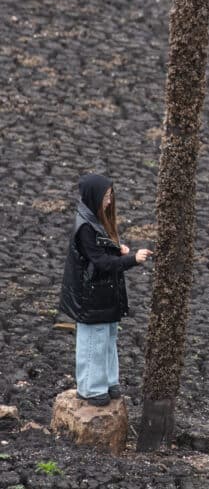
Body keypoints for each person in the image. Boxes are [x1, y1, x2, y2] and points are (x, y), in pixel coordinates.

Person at [59, 174, 152, 406]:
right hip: (92, 297)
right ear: (95, 197)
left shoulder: (91, 219)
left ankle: (108, 382)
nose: (109, 202)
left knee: (108, 337)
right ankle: (91, 388)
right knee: (94, 341)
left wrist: (115, 248)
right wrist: (132, 259)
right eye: (107, 197)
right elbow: (99, 262)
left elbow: (100, 252)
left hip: (101, 294)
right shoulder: (86, 227)